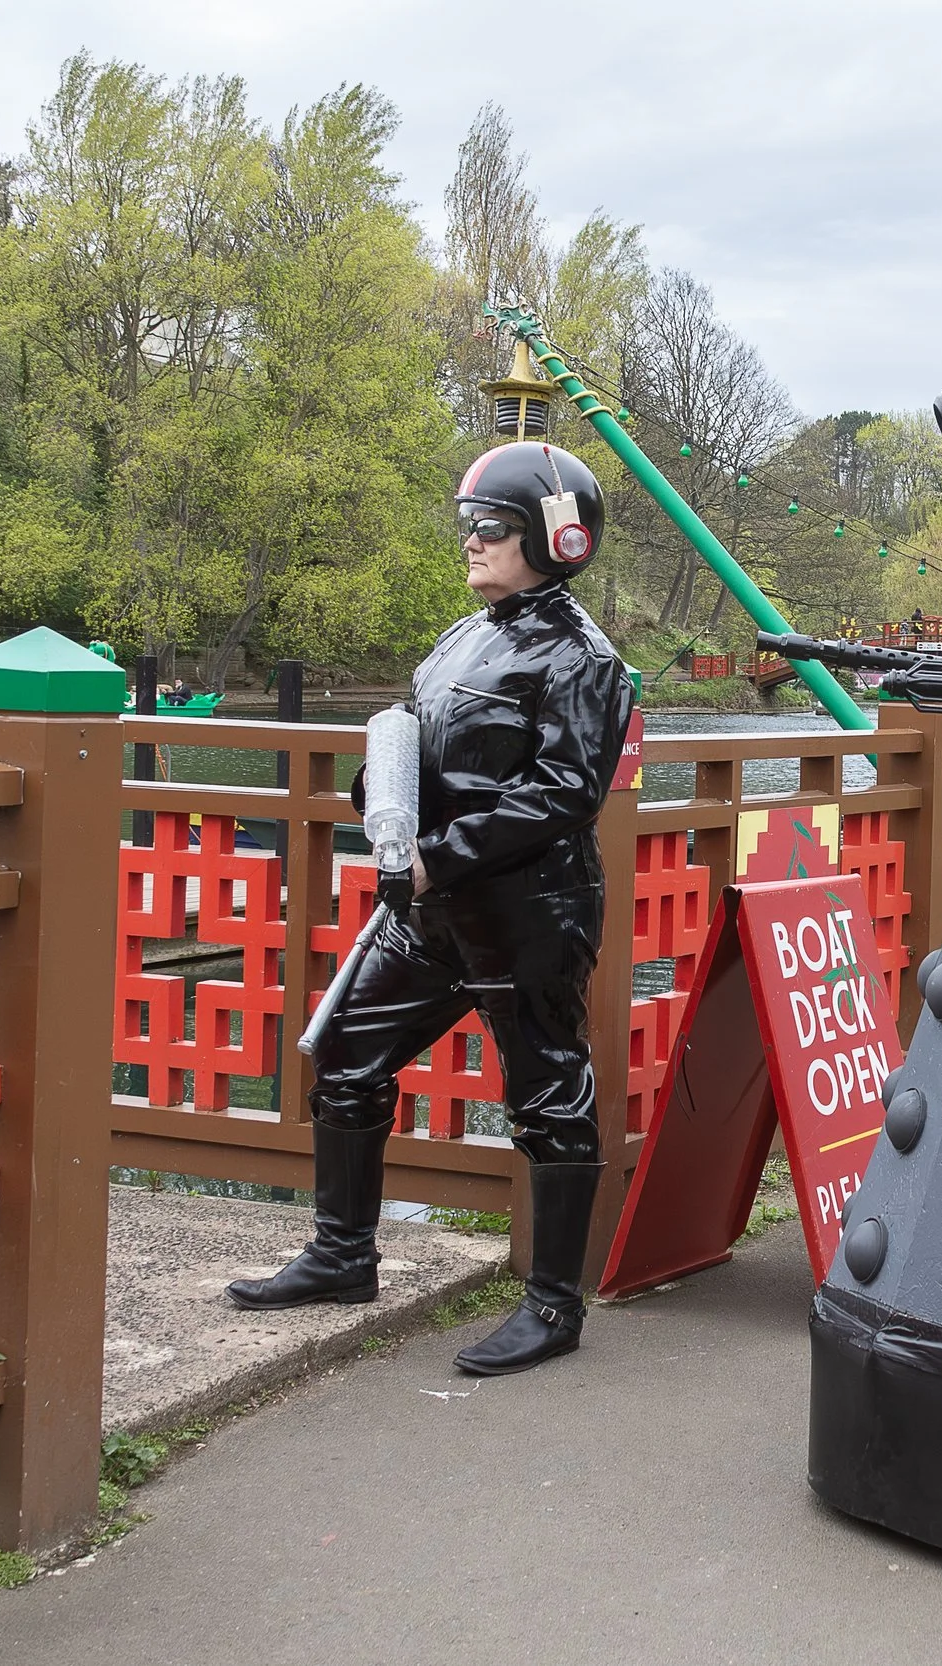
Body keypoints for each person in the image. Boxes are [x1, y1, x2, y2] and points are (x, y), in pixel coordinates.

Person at [226, 441, 633, 1377]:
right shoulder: (463, 636)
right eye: (470, 525)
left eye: (491, 526)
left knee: (547, 1093)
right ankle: (342, 1253)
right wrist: (382, 796)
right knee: (345, 1052)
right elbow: (413, 740)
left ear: (553, 535)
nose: (472, 541)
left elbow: (564, 792)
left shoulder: (583, 659)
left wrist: (438, 856)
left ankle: (554, 1304)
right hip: (432, 908)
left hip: (530, 912)